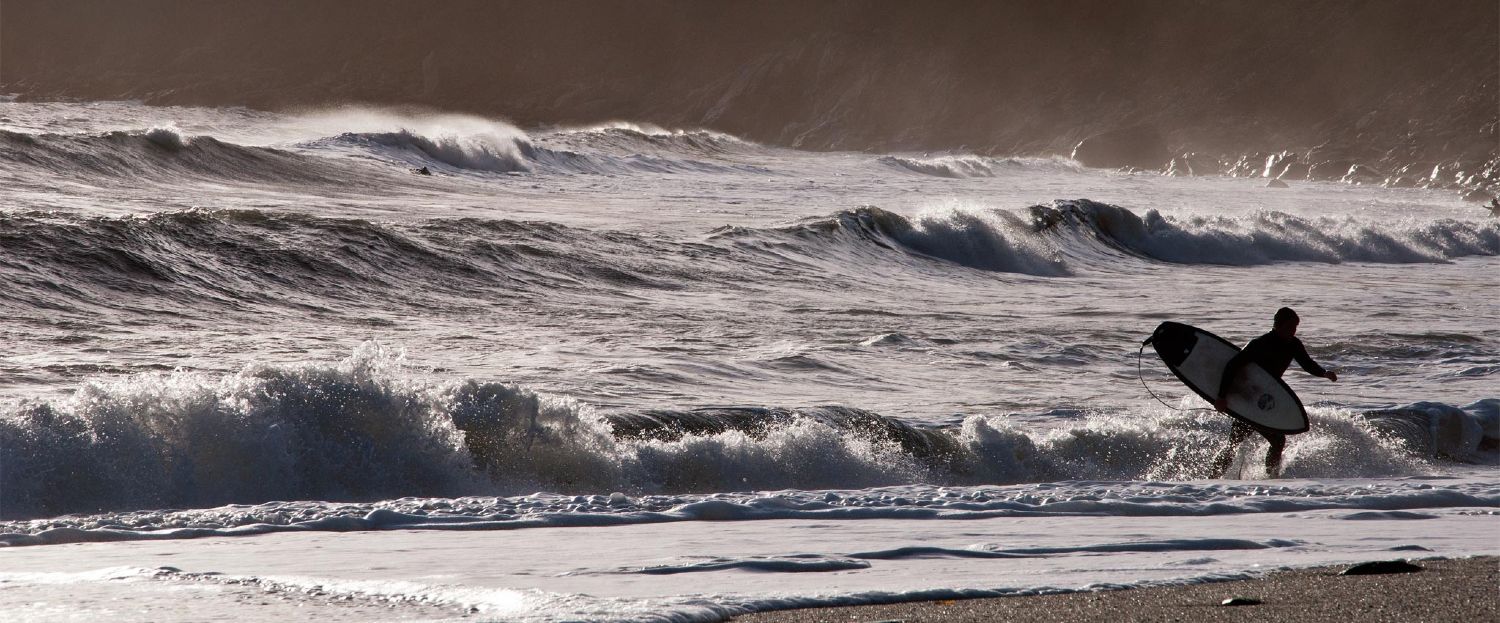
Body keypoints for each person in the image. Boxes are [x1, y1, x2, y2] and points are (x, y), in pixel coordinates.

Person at [1210, 307, 1337, 478]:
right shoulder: (1258, 344)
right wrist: (1221, 396)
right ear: (1278, 325)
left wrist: (1323, 373)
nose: (1293, 331)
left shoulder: (1293, 344)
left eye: (1295, 327)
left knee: (1277, 441)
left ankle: (1271, 477)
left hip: (1265, 402)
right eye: (1290, 327)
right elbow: (1232, 366)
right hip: (1247, 400)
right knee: (1235, 442)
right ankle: (1213, 478)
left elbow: (1307, 363)